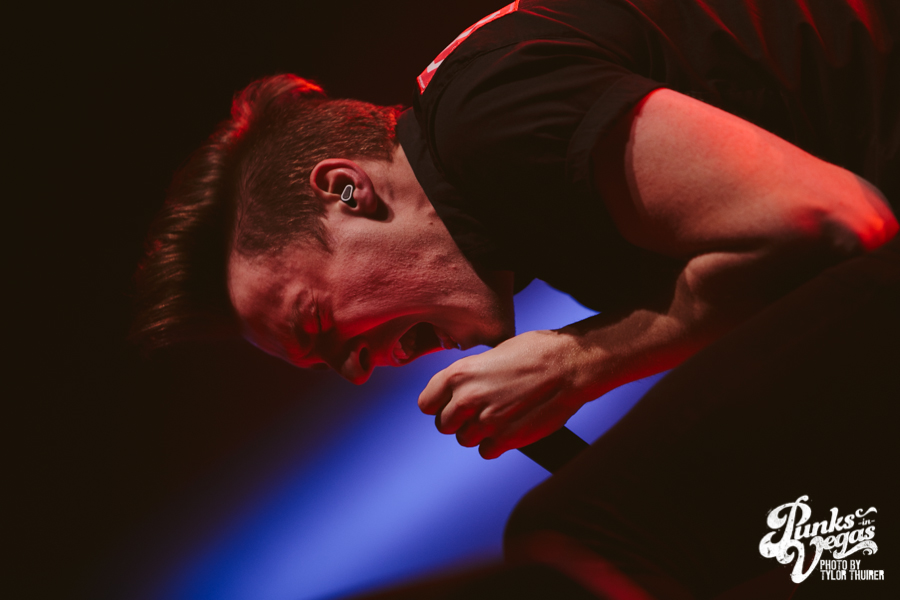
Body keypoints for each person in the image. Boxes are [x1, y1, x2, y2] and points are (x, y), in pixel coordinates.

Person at [133, 0, 899, 597]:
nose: (357, 369)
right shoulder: (522, 198)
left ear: (347, 191)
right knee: (801, 535)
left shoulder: (487, 114)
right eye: (330, 366)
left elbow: (835, 223)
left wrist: (577, 362)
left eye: (319, 324)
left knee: (579, 532)